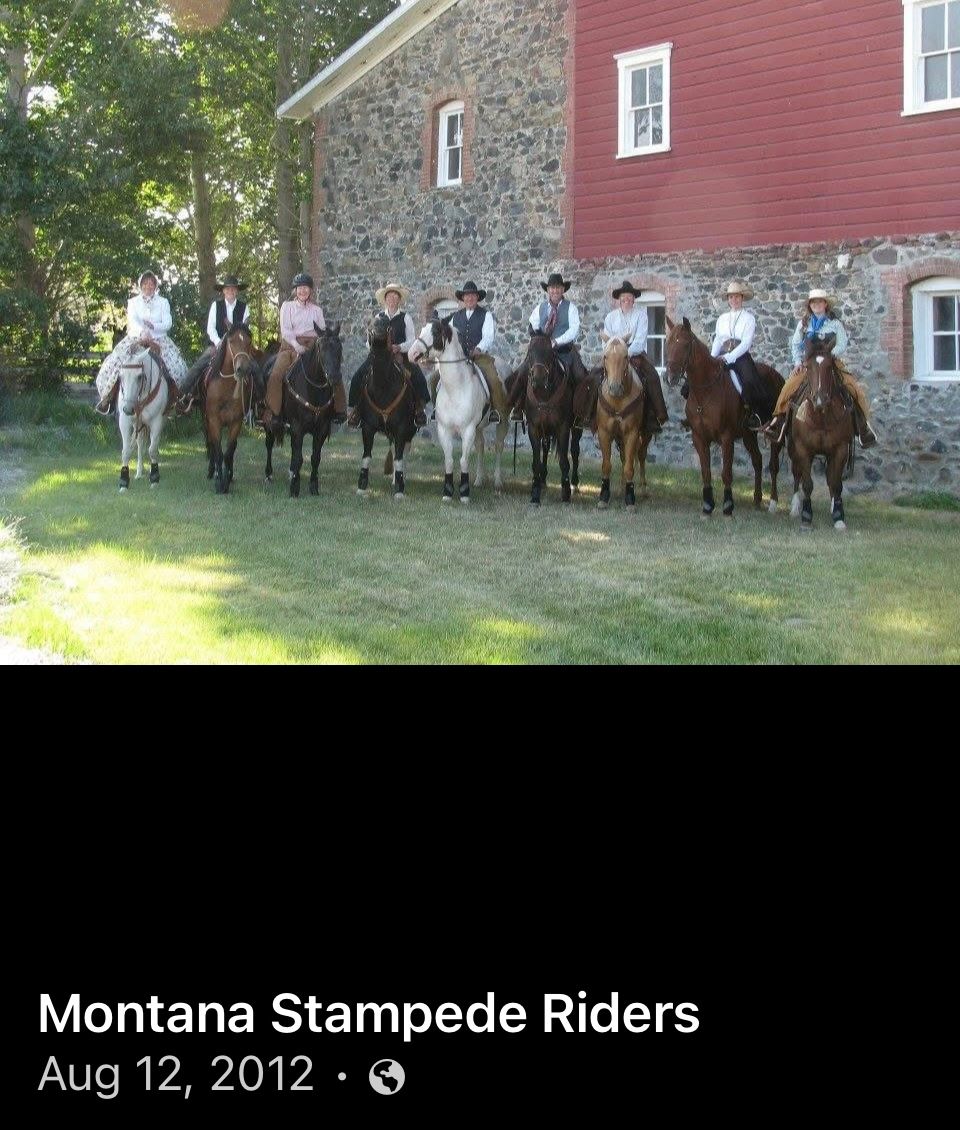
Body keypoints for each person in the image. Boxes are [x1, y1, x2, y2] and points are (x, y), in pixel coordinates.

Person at [766, 288, 877, 447]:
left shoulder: (835, 324)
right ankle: (778, 423)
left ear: (825, 304)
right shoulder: (804, 324)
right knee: (787, 388)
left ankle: (863, 427)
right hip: (808, 365)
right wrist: (798, 362)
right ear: (810, 305)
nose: (816, 304)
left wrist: (829, 355)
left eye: (819, 301)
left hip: (831, 362)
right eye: (813, 302)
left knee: (855, 389)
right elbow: (795, 344)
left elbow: (842, 343)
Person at [95, 271, 187, 413]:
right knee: (114, 363)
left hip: (158, 339)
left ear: (155, 286)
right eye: (145, 283)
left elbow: (167, 323)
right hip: (136, 338)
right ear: (141, 285)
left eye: (151, 284)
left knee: (177, 367)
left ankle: (178, 400)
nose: (148, 286)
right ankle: (108, 398)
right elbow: (133, 320)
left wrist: (153, 327)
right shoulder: (133, 302)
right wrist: (142, 332)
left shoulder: (163, 302)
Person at [263, 272, 346, 428]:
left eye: (306, 288)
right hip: (290, 345)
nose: (303, 291)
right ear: (295, 290)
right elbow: (286, 330)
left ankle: (339, 410)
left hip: (313, 346)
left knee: (333, 370)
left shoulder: (317, 310)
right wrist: (297, 346)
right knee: (275, 375)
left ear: (310, 291)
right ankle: (274, 413)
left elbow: (321, 331)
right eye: (300, 288)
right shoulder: (287, 307)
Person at [507, 272, 591, 419]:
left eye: (558, 288)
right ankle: (515, 407)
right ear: (548, 290)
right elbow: (533, 325)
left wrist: (556, 341)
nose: (555, 291)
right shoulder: (540, 308)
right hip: (542, 352)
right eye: (552, 288)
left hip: (564, 350)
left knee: (581, 376)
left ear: (563, 290)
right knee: (521, 372)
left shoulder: (570, 308)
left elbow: (573, 330)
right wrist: (541, 340)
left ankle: (581, 413)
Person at [347, 282, 430, 428]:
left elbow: (412, 340)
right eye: (389, 296)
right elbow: (368, 342)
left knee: (417, 376)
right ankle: (356, 410)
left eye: (395, 296)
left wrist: (399, 347)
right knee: (357, 377)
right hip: (378, 356)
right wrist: (376, 348)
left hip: (399, 355)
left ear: (399, 300)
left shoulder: (406, 317)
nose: (392, 299)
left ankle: (419, 410)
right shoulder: (378, 317)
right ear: (385, 299)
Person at [601, 280, 669, 434]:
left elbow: (640, 340)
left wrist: (626, 353)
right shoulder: (610, 317)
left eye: (629, 298)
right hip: (613, 355)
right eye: (624, 298)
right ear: (619, 300)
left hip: (634, 354)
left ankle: (656, 416)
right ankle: (591, 416)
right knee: (595, 375)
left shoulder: (641, 315)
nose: (627, 300)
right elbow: (606, 340)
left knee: (652, 376)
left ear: (633, 300)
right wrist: (612, 353)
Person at [708, 280, 775, 429]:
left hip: (740, 356)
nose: (734, 300)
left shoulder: (749, 318)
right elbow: (718, 339)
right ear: (728, 299)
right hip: (721, 354)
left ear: (742, 298)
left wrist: (729, 357)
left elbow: (746, 343)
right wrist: (712, 358)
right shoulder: (722, 318)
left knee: (750, 380)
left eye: (737, 296)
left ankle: (754, 414)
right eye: (731, 297)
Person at [178, 274, 250, 405]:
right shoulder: (216, 306)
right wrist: (218, 342)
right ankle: (183, 394)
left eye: (233, 289)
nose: (230, 291)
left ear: (237, 291)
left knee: (254, 368)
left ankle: (257, 402)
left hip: (238, 348)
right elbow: (210, 328)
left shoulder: (244, 307)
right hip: (217, 345)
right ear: (223, 291)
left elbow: (246, 330)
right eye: (228, 289)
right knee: (199, 365)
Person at [448, 280, 501, 424]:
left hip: (479, 357)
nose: (469, 298)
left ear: (477, 297)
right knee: (435, 379)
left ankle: (495, 410)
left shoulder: (486, 315)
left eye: (472, 295)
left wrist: (478, 348)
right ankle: (438, 409)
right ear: (463, 298)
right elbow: (448, 336)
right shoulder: (455, 317)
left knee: (493, 379)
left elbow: (488, 336)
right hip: (459, 359)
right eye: (467, 295)